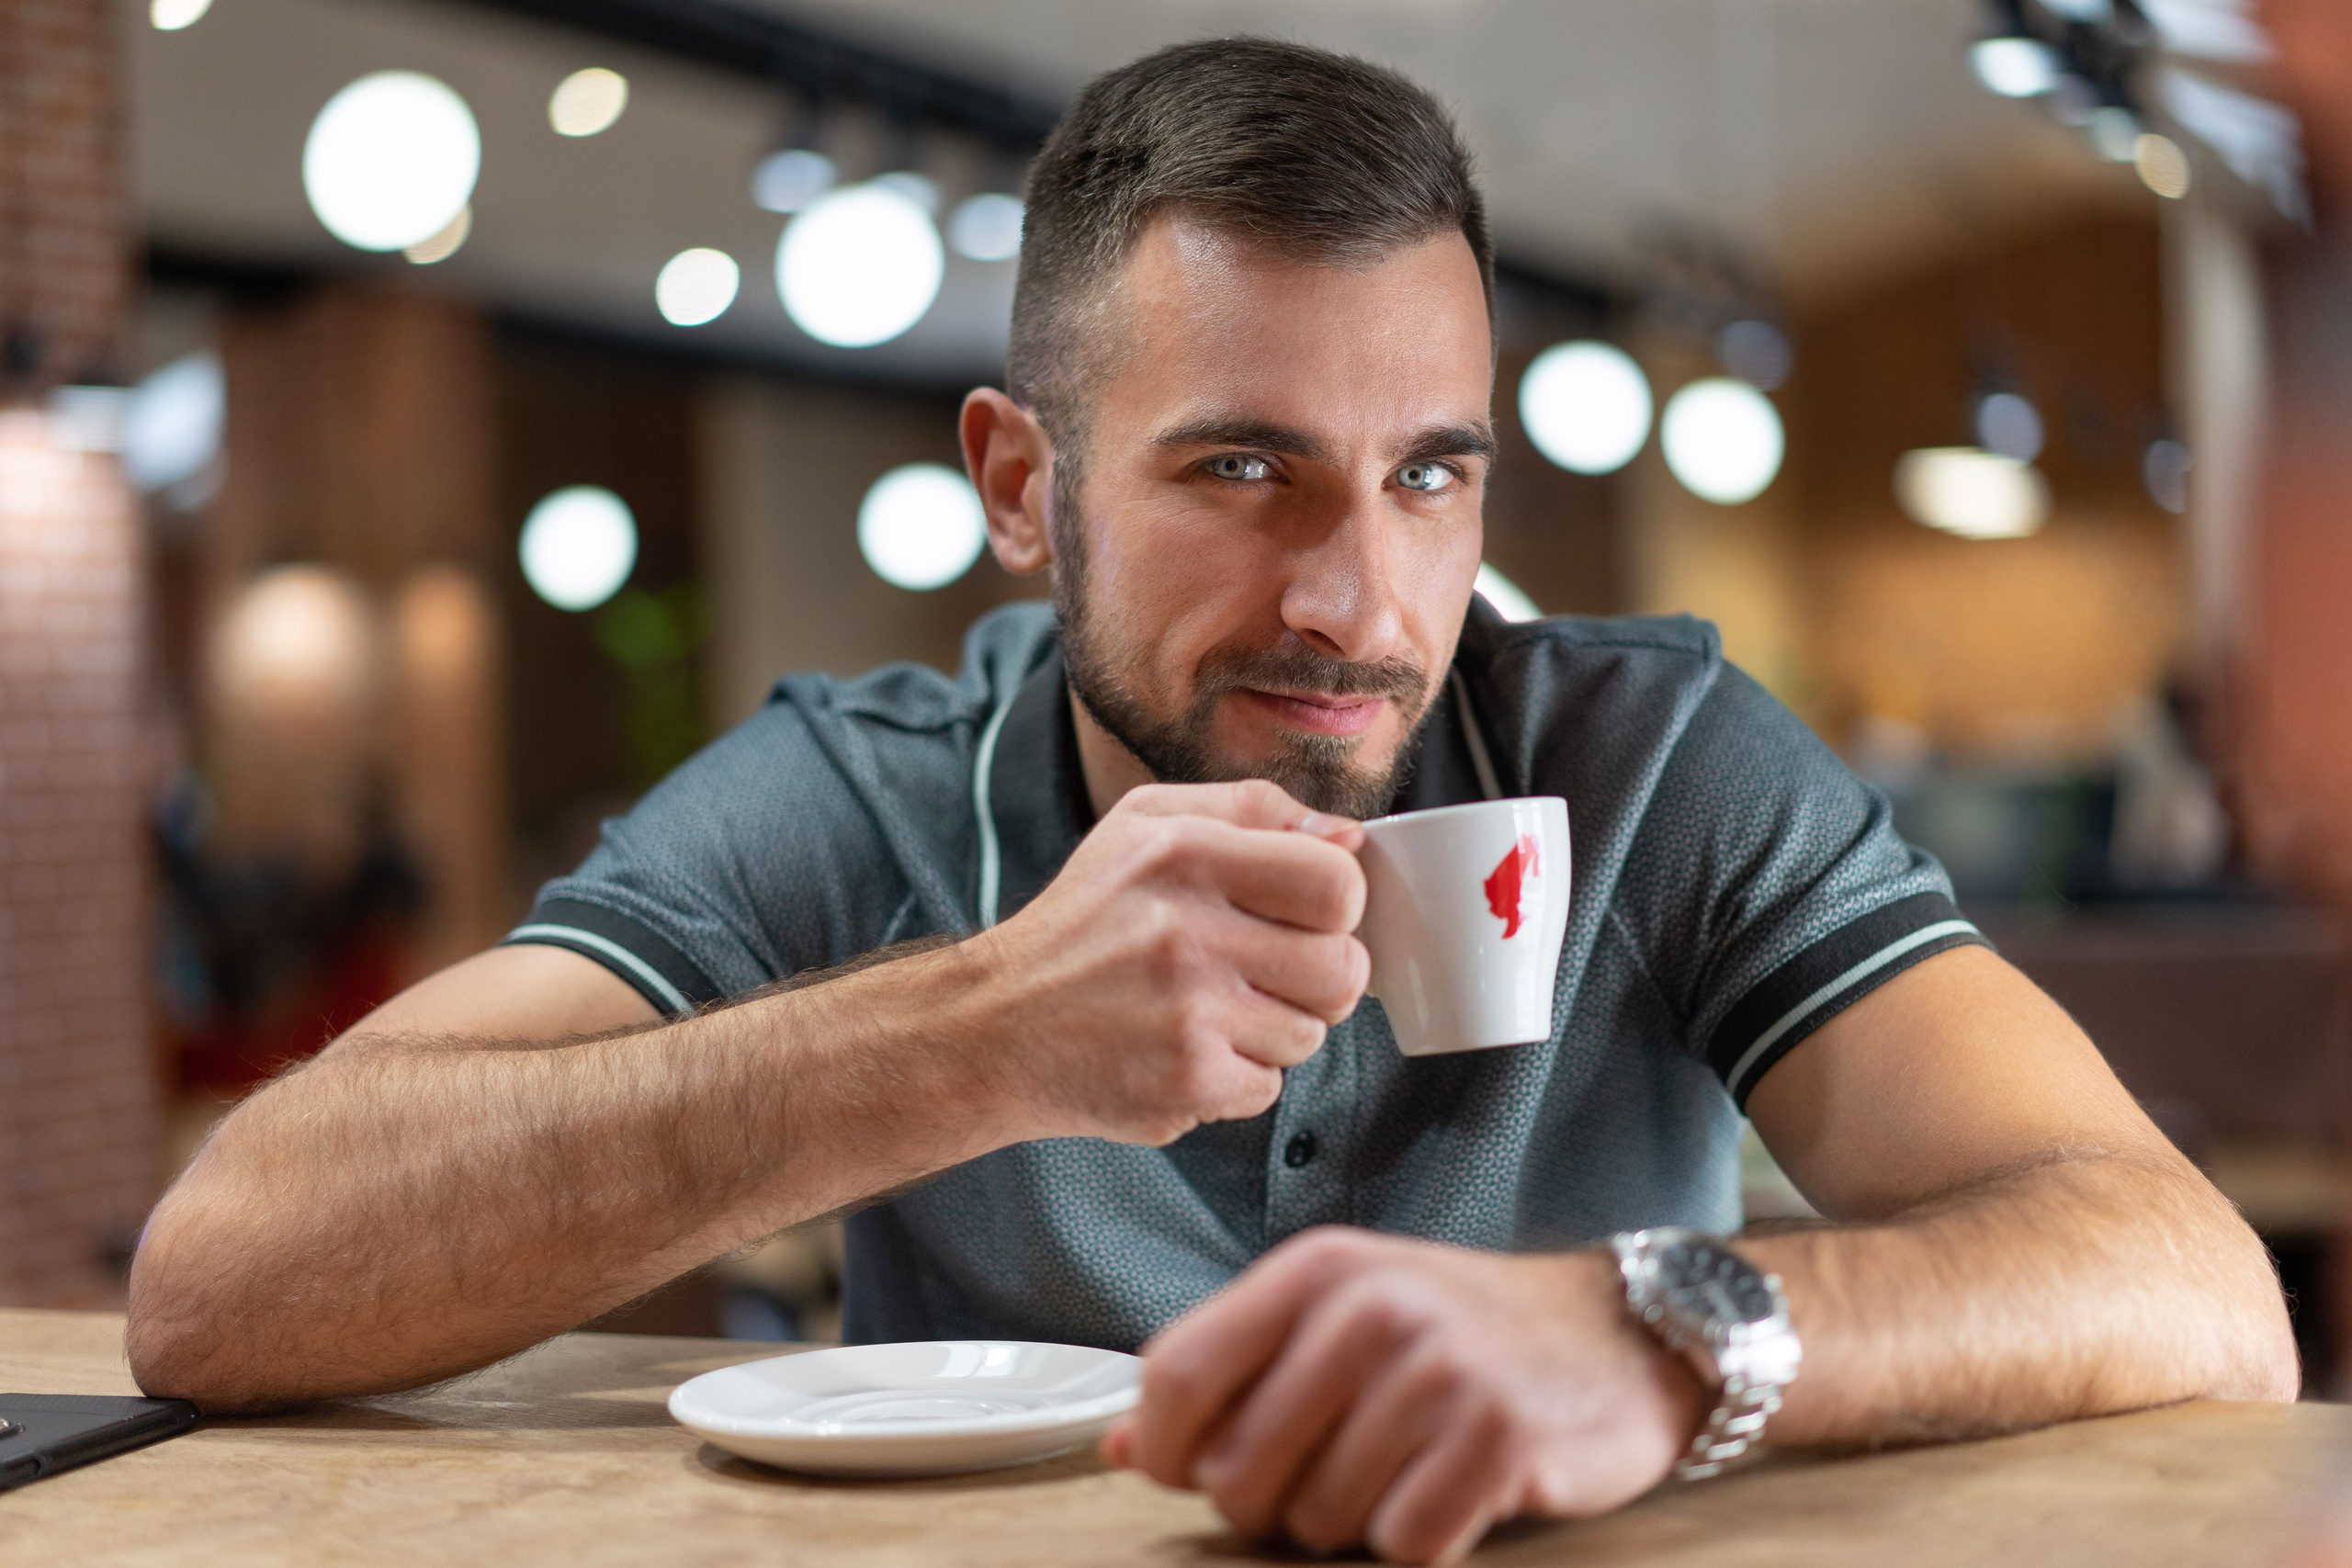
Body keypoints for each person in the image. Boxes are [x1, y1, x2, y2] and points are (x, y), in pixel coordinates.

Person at [129, 37, 2294, 1566]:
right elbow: (227, 1273)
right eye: (1240, 467)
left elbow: (2188, 1283)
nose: (1357, 598)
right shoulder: (861, 796)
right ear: (1018, 482)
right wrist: (968, 1024)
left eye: (1428, 473)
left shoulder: (1644, 759)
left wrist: (1657, 1333)